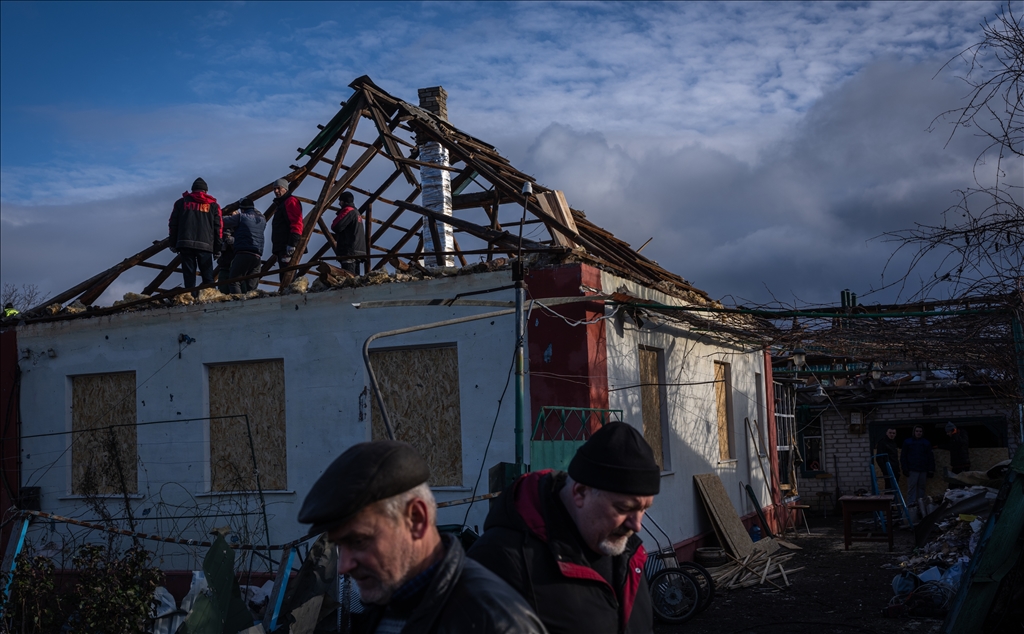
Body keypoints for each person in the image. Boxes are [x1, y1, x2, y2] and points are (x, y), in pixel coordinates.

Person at [298, 440, 546, 634]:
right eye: (340, 545)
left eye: (359, 541)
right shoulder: (389, 600)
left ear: (416, 519)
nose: (343, 566)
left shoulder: (496, 623)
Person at [468, 422, 659, 634]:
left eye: (644, 509)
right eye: (624, 508)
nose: (637, 525)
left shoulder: (629, 553)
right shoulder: (500, 560)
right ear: (580, 493)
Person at [169, 178, 223, 296]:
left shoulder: (180, 203)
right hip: (205, 245)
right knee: (208, 277)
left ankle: (191, 300)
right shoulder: (213, 205)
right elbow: (218, 228)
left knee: (189, 277)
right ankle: (210, 298)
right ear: (206, 191)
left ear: (193, 189)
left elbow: (173, 224)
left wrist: (173, 243)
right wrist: (218, 248)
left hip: (185, 243)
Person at [221, 198, 266, 294]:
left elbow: (222, 222)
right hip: (257, 256)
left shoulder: (241, 217)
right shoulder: (262, 219)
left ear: (242, 209)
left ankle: (238, 303)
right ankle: (252, 304)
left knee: (233, 280)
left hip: (243, 253)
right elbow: (256, 212)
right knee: (252, 286)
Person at [269, 178, 303, 282]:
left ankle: (291, 295)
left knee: (288, 275)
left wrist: (292, 242)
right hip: (282, 246)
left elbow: (296, 222)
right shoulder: (282, 204)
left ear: (285, 189)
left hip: (286, 245)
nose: (276, 191)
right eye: (274, 189)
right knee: (285, 274)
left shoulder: (290, 201)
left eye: (278, 188)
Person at [331, 191, 366, 275]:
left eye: (340, 201)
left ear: (344, 201)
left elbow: (336, 226)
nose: (339, 203)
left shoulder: (348, 211)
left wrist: (339, 214)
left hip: (349, 251)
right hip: (358, 251)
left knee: (349, 280)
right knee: (356, 279)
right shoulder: (357, 213)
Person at [900, 425, 935, 504]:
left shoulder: (926, 443)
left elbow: (930, 457)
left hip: (923, 469)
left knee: (921, 488)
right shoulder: (907, 442)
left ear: (922, 433)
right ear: (914, 432)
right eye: (917, 431)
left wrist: (931, 469)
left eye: (920, 431)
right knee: (911, 488)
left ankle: (920, 506)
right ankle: (911, 506)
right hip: (912, 469)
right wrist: (905, 468)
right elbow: (903, 456)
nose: (918, 433)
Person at [874, 428, 900, 492]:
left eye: (893, 433)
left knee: (894, 488)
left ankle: (894, 501)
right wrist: (885, 470)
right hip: (888, 468)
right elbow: (879, 458)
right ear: (886, 433)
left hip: (895, 468)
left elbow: (895, 457)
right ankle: (890, 501)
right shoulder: (882, 443)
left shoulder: (894, 443)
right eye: (890, 433)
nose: (892, 435)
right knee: (889, 487)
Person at [946, 422, 970, 489]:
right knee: (954, 483)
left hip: (963, 464)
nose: (948, 434)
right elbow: (951, 446)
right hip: (956, 464)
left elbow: (961, 443)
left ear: (953, 430)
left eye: (948, 432)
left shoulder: (961, 435)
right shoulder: (954, 438)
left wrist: (955, 435)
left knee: (962, 483)